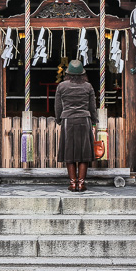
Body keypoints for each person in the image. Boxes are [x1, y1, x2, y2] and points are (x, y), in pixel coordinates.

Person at [54, 60, 98, 192]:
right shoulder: (88, 87)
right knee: (84, 153)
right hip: (84, 120)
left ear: (68, 74)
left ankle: (73, 183)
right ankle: (82, 183)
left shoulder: (62, 86)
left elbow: (58, 106)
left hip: (67, 120)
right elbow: (92, 107)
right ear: (82, 74)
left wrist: (59, 120)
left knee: (69, 152)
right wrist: (94, 121)